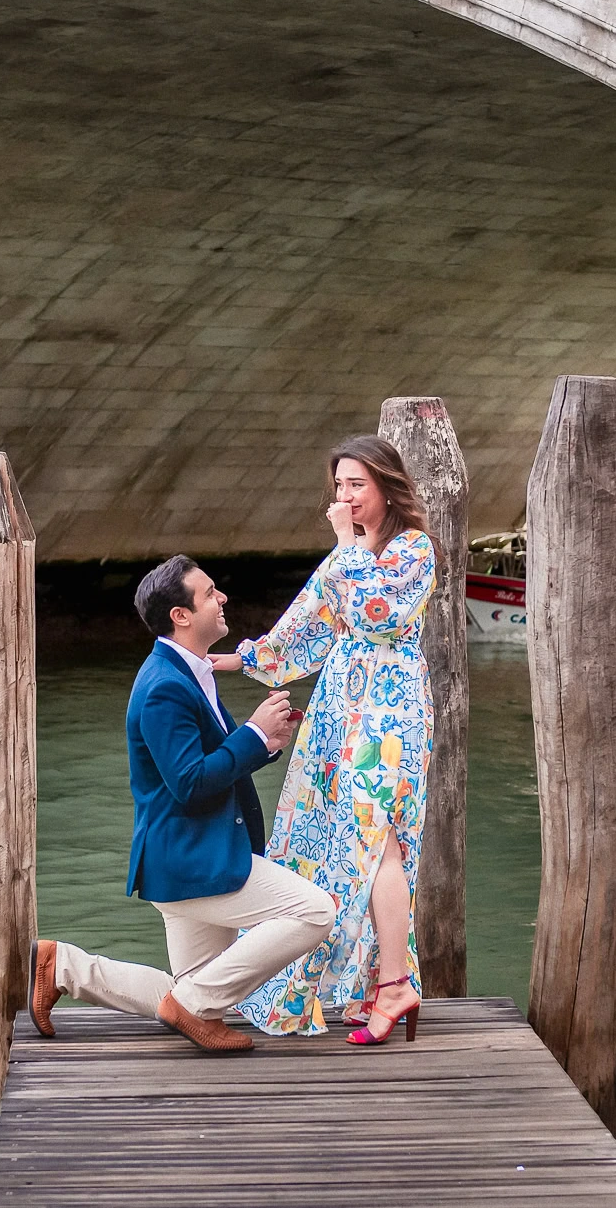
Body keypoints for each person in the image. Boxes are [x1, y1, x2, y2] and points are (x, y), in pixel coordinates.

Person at [27, 556, 331, 1053]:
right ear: (181, 616)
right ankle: (189, 1006)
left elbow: (205, 764)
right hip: (193, 859)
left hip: (185, 856)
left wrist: (265, 741)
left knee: (195, 991)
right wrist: (252, 735)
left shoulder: (187, 671)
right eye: (210, 592)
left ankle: (60, 966)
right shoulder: (165, 686)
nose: (223, 598)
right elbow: (189, 782)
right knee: (315, 911)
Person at [209, 435, 436, 1047]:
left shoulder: (414, 549)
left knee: (377, 835)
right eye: (339, 486)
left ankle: (394, 983)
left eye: (356, 485)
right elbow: (309, 625)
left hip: (389, 714)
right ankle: (375, 984)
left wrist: (344, 548)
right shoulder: (352, 553)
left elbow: (379, 614)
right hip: (340, 710)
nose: (345, 498)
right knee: (336, 842)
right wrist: (233, 661)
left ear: (387, 485)